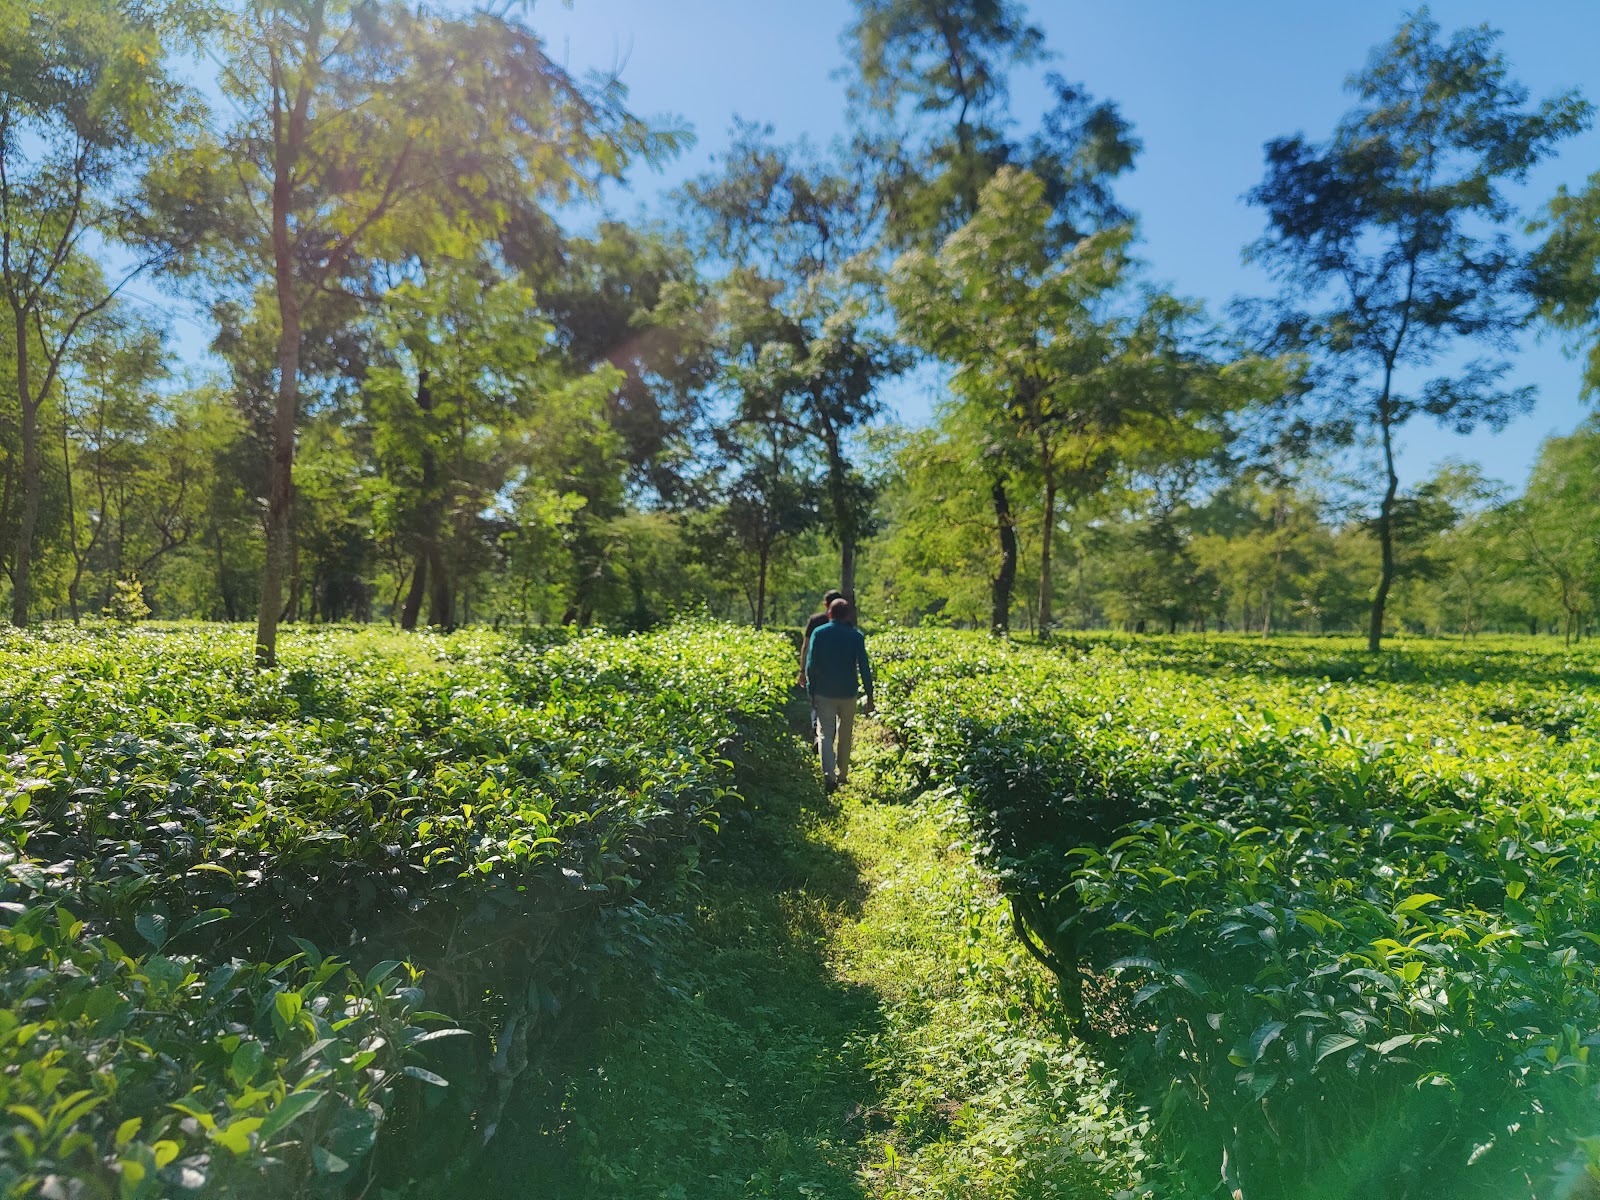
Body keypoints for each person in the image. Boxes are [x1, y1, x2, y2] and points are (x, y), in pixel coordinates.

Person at [804, 597, 875, 792]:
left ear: (830, 613)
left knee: (825, 734)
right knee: (845, 733)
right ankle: (842, 774)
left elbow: (811, 665)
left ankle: (829, 775)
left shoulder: (819, 633)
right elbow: (864, 667)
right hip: (848, 693)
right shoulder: (856, 636)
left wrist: (811, 690)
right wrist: (869, 694)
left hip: (824, 692)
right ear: (848, 615)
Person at [797, 588, 844, 687]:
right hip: (840, 672)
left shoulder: (815, 620)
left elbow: (806, 646)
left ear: (825, 604)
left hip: (817, 672)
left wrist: (802, 671)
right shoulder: (846, 623)